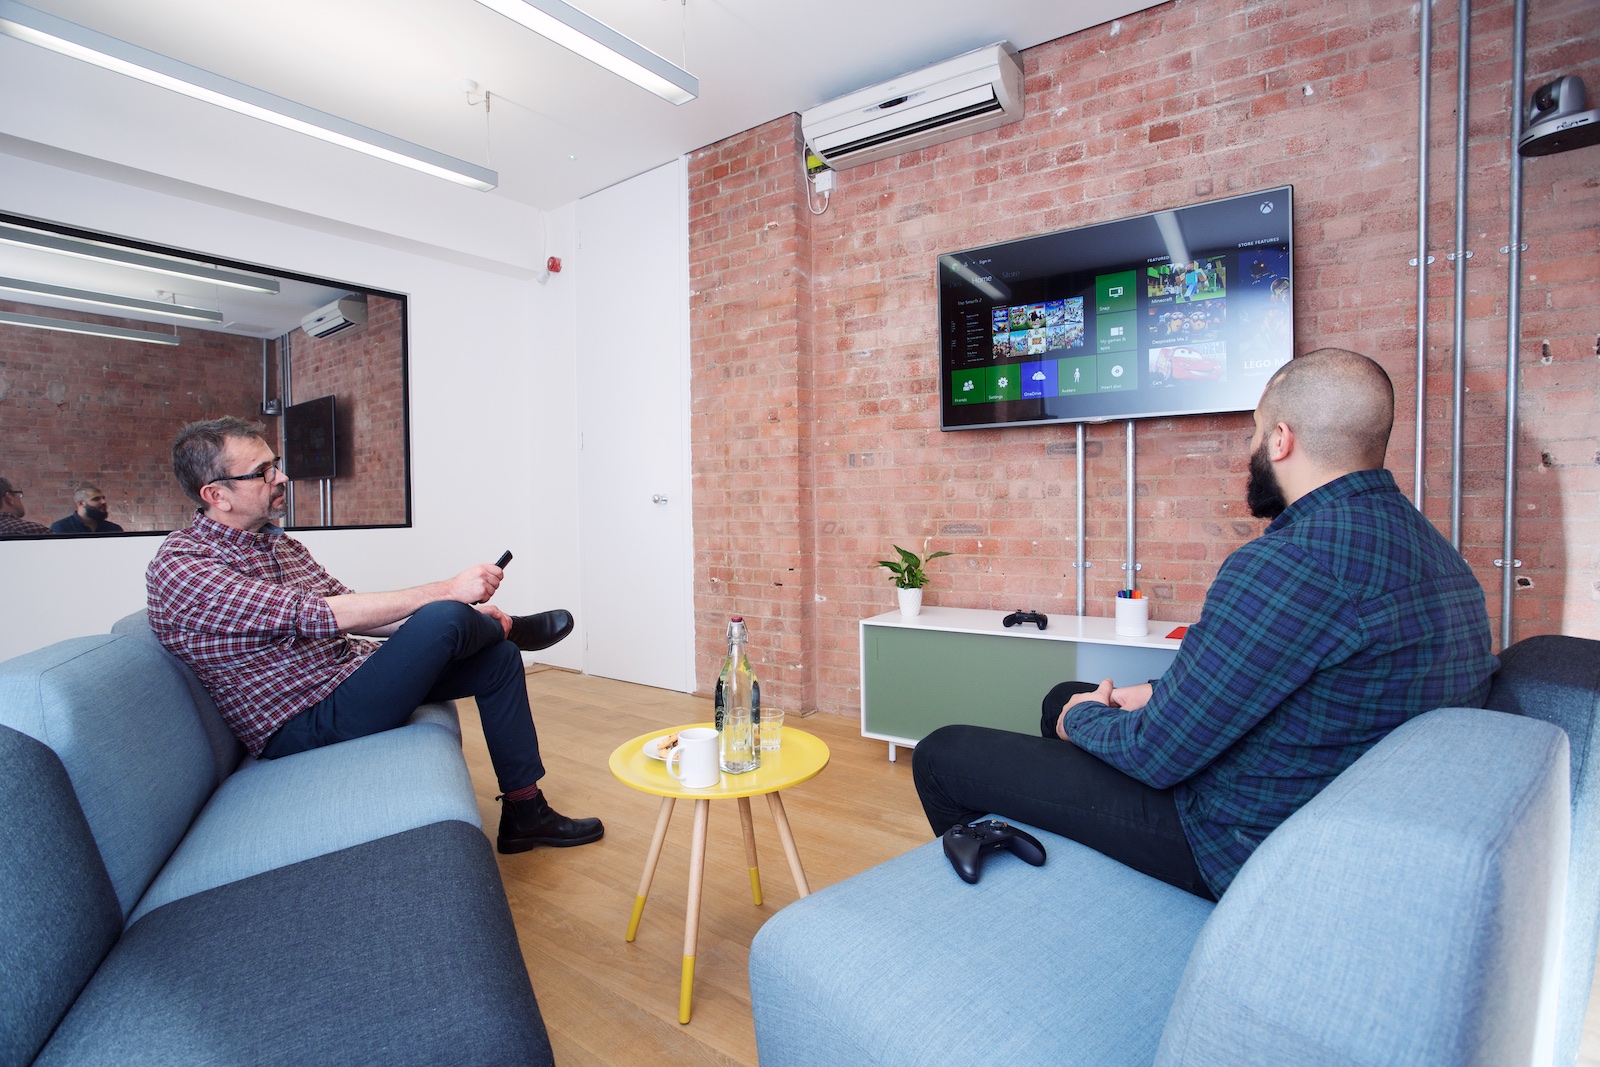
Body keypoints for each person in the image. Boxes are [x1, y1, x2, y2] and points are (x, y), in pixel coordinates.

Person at [912, 349, 1497, 900]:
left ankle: (1022, 905)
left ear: (1281, 439)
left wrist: (1081, 718)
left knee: (945, 753)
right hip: (1326, 798)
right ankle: (1073, 854)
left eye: (1255, 432)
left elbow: (1156, 754)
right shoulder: (1434, 551)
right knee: (1064, 693)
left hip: (1239, 838)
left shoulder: (1290, 562)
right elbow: (1290, 679)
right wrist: (1152, 692)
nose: (1252, 448)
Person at [146, 416, 600, 853]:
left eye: (275, 464)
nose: (281, 477)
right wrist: (449, 592)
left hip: (348, 682)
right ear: (216, 494)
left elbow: (355, 613)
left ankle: (526, 814)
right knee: (445, 615)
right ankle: (511, 629)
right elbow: (316, 614)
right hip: (302, 722)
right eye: (262, 472)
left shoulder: (280, 544)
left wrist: (460, 611)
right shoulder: (184, 565)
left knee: (495, 660)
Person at [51, 483, 125, 535]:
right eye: (96, 499)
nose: (103, 502)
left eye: (103, 498)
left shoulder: (114, 529)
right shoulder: (60, 528)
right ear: (81, 503)